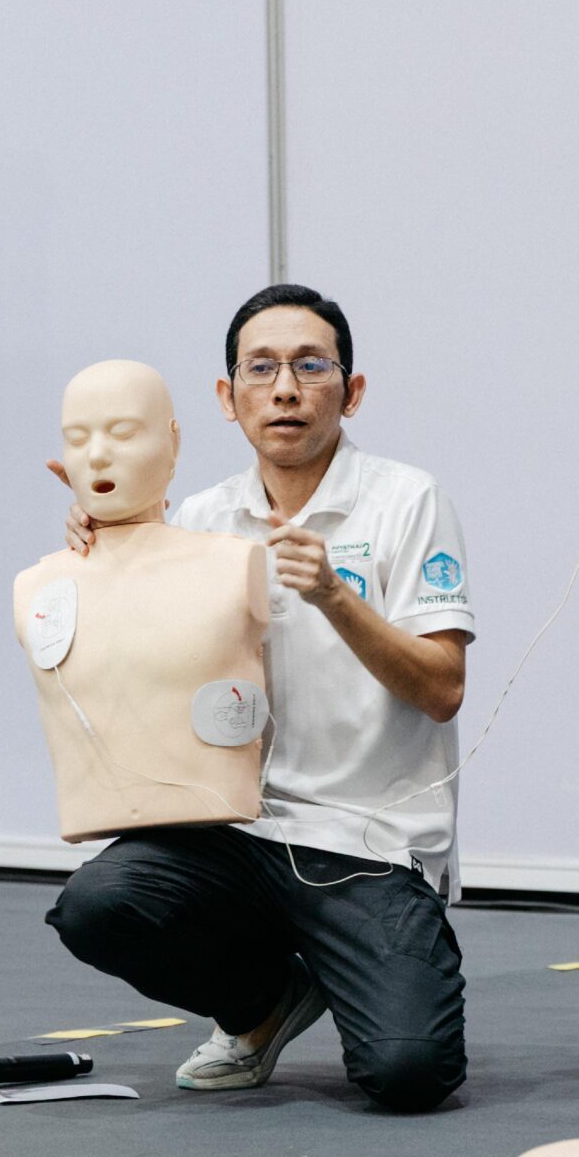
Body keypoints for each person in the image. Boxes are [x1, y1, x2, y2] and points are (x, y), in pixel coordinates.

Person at [40, 284, 474, 1113]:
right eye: (261, 368)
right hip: (234, 831)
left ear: (352, 390)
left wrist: (336, 597)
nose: (285, 389)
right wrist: (101, 545)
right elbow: (126, 671)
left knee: (410, 1073)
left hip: (369, 842)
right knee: (96, 906)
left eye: (311, 366)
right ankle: (261, 1004)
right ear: (226, 396)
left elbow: (443, 687)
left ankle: (359, 967)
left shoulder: (407, 500)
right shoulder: (200, 519)